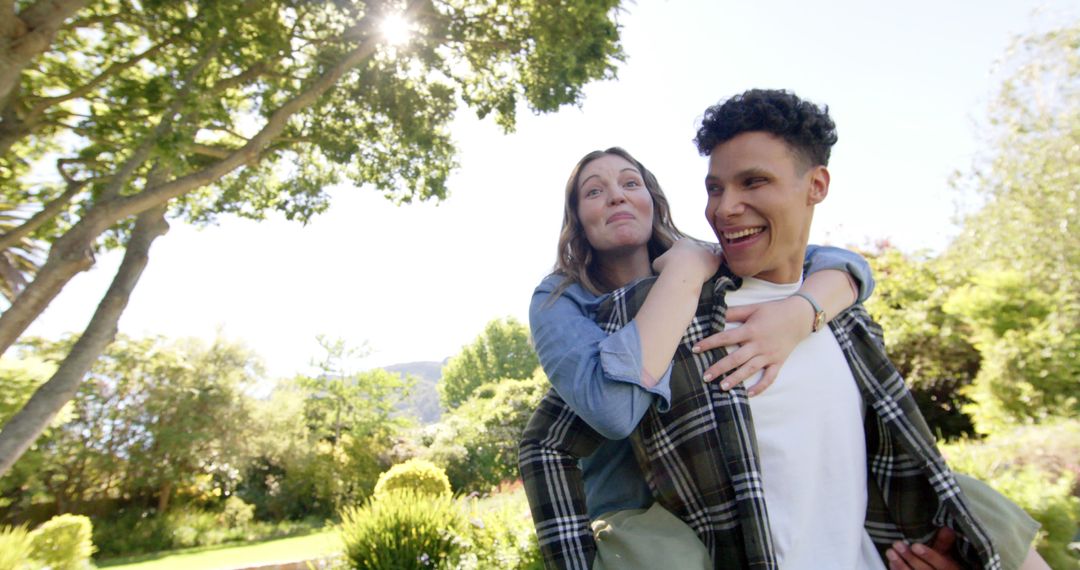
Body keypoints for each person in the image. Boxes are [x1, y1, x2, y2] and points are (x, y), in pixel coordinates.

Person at [520, 90, 1045, 570]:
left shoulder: (836, 312)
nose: (726, 206)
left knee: (990, 516)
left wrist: (803, 311)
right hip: (645, 524)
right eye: (715, 188)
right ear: (576, 217)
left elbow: (835, 268)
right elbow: (592, 418)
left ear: (816, 186)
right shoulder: (577, 303)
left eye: (753, 182)